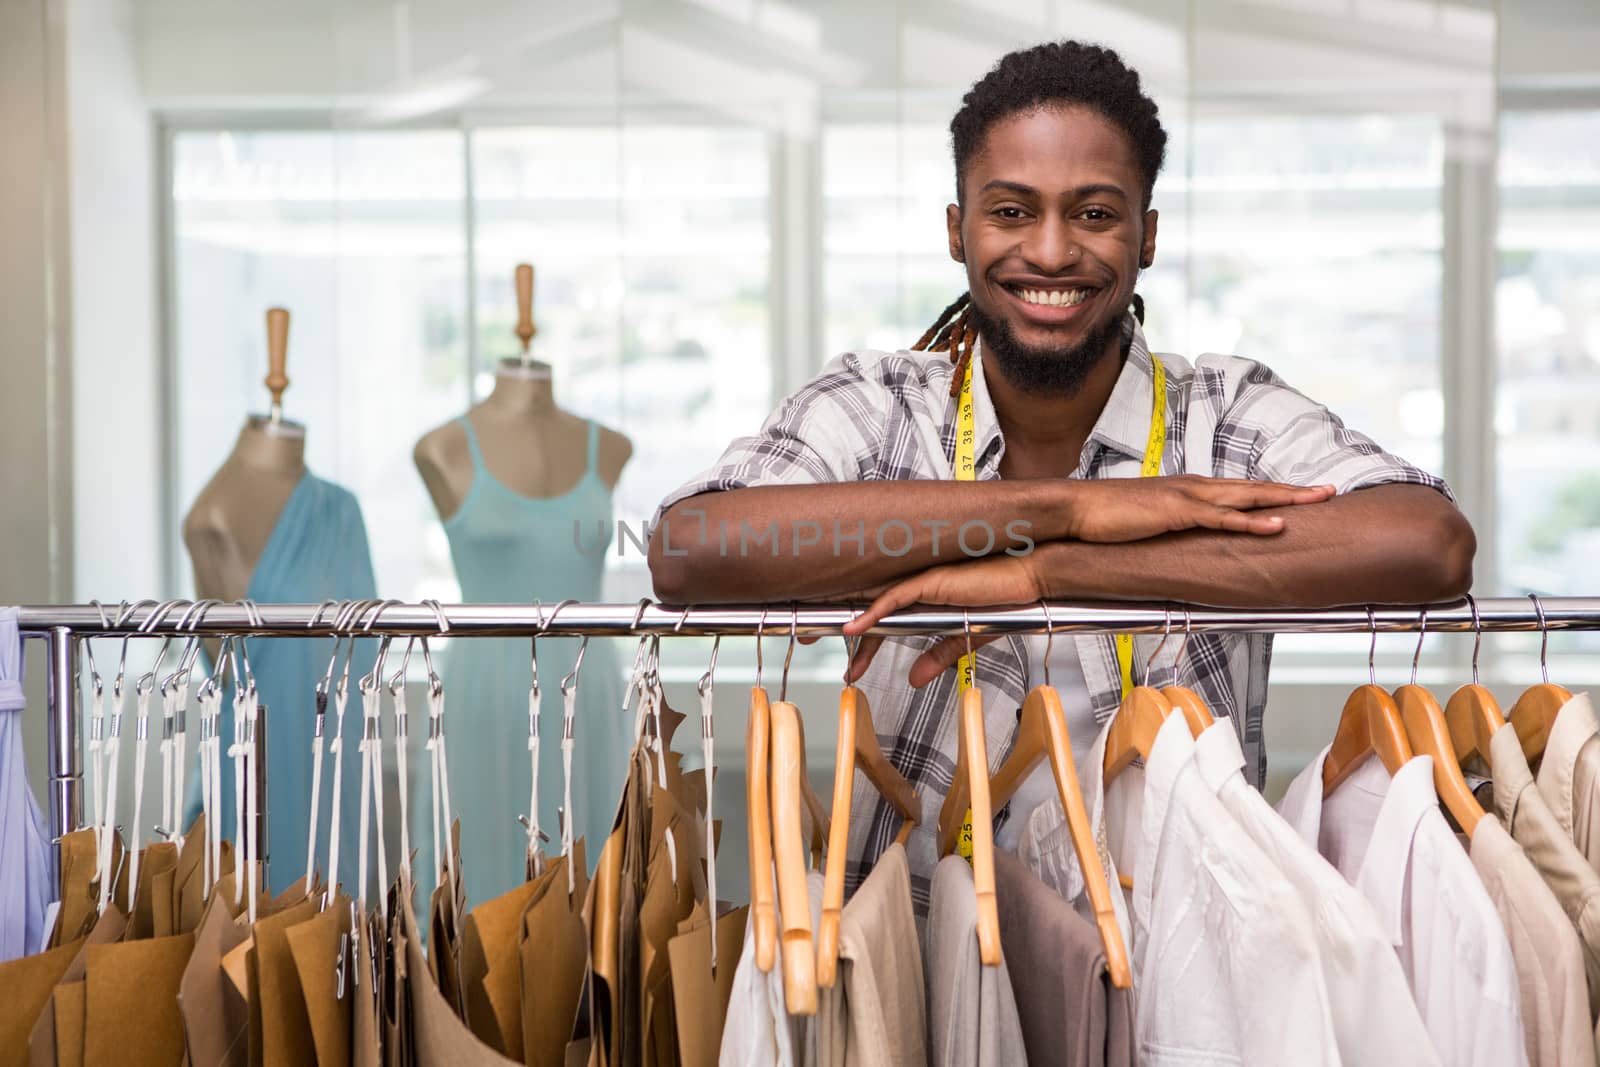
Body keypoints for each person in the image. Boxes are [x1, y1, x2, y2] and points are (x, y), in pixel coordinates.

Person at [648, 40, 1473, 907]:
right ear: (956, 229)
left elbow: (1430, 544)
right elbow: (691, 549)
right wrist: (1067, 506)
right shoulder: (879, 407)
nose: (1049, 252)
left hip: (1175, 981)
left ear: (1147, 233)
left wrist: (1055, 570)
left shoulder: (1223, 412)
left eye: (1093, 214)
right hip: (929, 983)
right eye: (1010, 211)